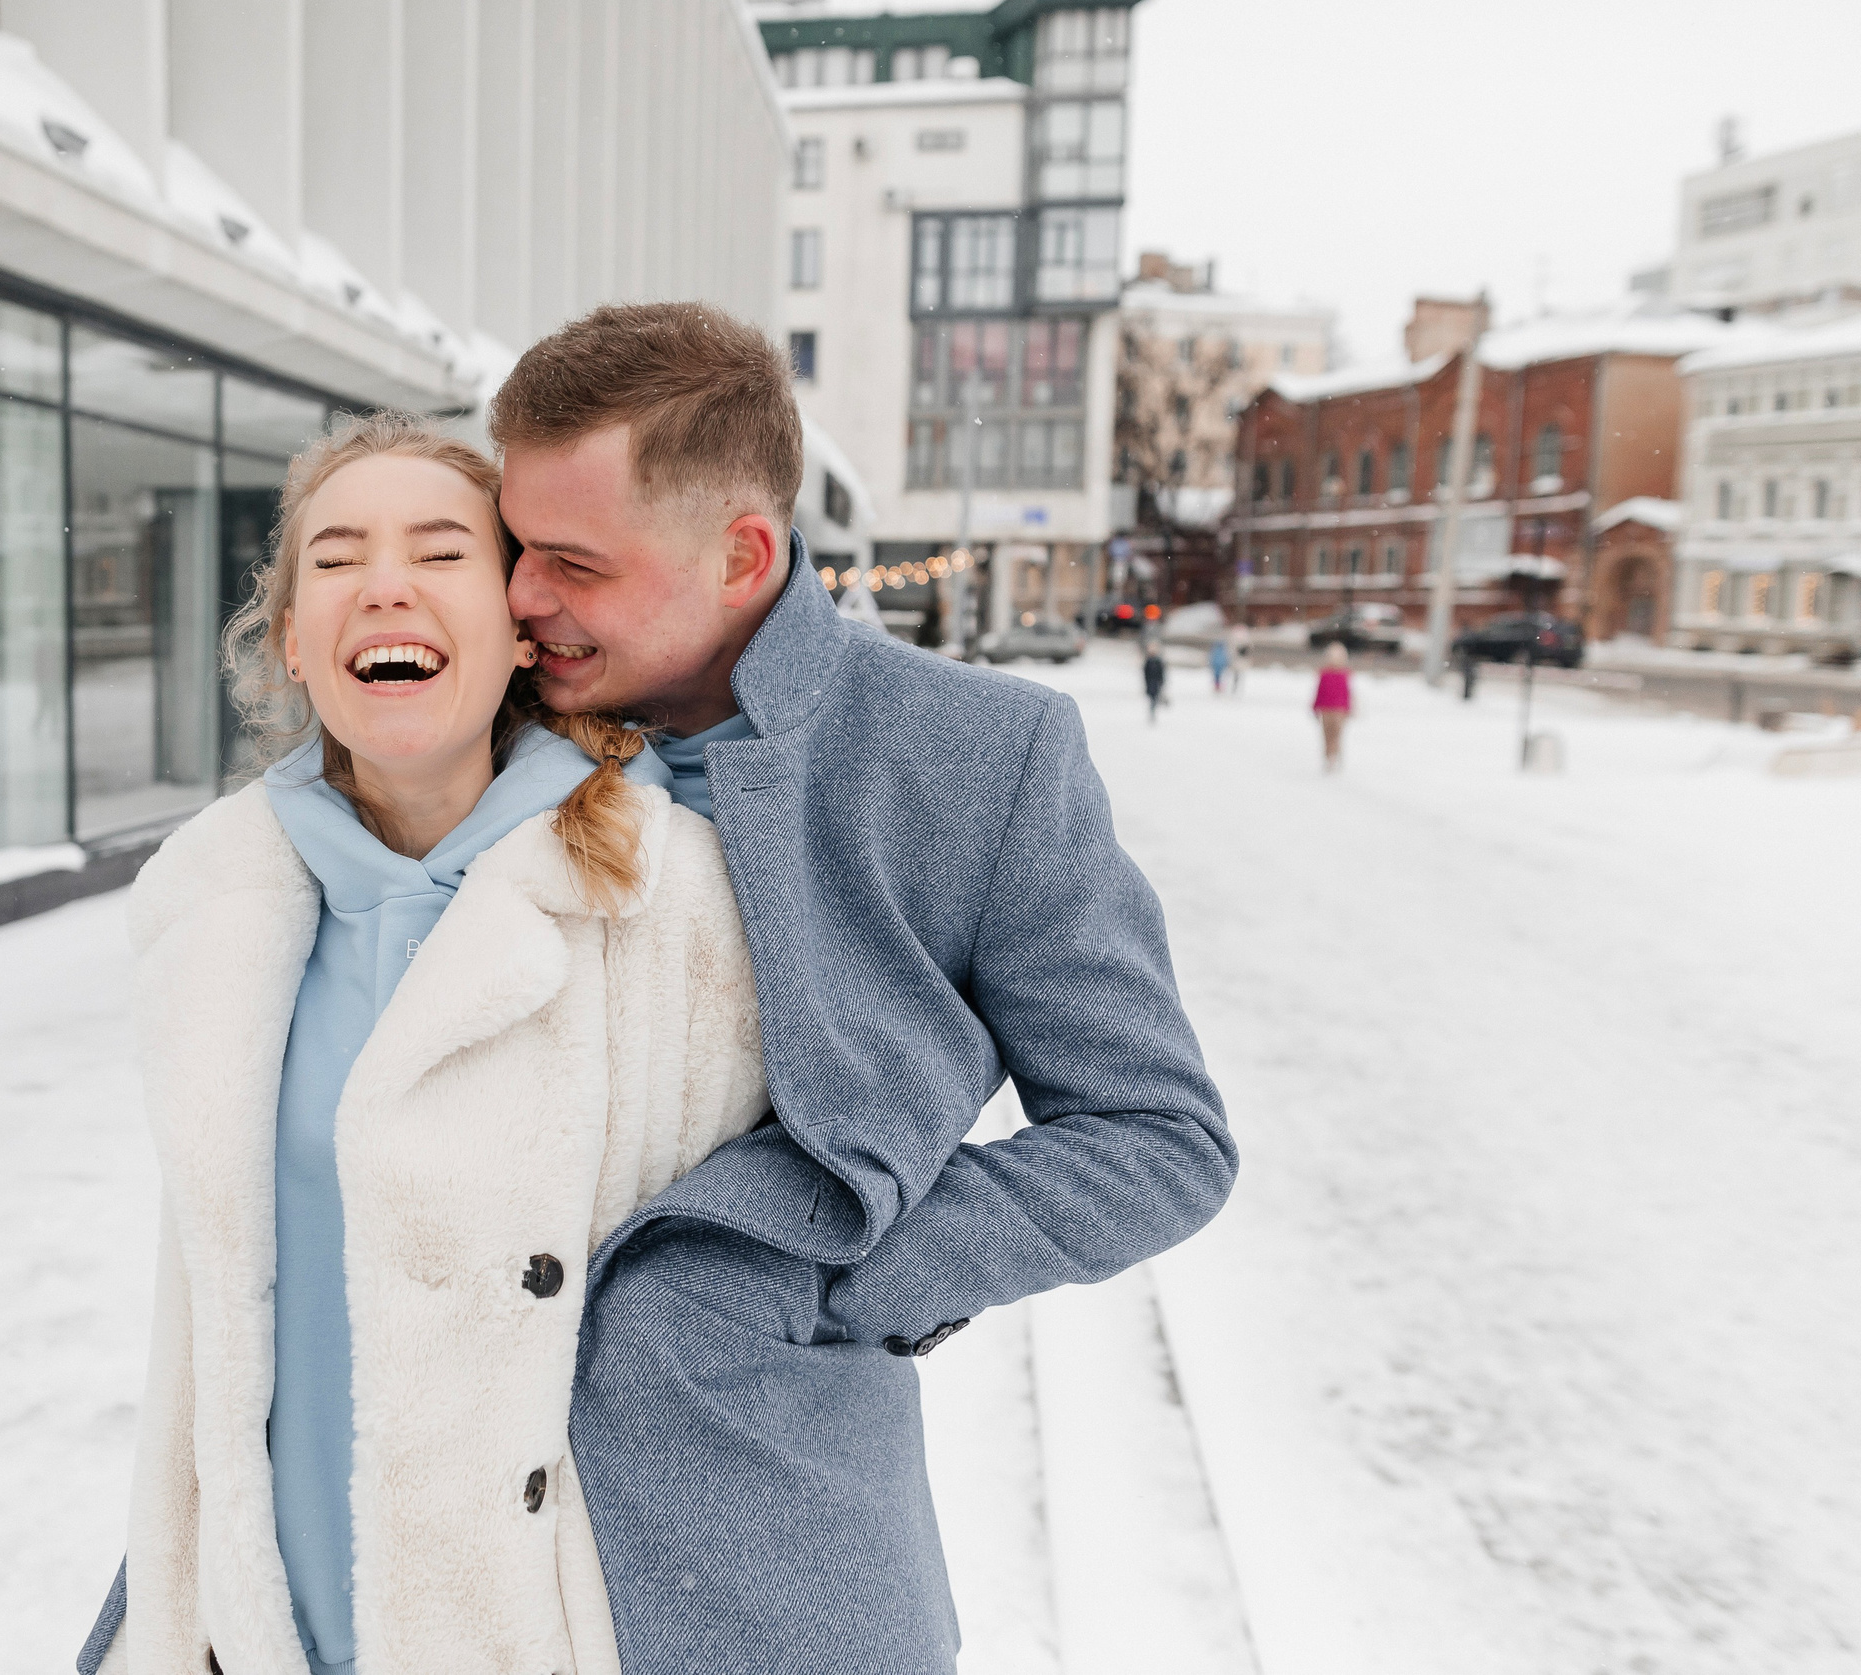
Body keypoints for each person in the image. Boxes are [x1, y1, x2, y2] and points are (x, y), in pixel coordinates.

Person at [490, 303, 1234, 1675]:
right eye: (514, 544)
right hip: (448, 1538)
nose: (523, 596)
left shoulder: (979, 754)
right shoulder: (474, 730)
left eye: (574, 561)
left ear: (743, 553)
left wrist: (832, 1271)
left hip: (762, 1540)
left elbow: (1158, 1137)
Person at [78, 415, 770, 1675]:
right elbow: (215, 1337)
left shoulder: (673, 904)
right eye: (334, 561)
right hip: (269, 1636)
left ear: (519, 626)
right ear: (291, 640)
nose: (382, 582)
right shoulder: (210, 914)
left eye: (439, 551)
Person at [1314, 640, 1354, 771]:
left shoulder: (1344, 675)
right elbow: (1319, 691)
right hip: (1326, 709)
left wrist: (1349, 708)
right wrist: (1315, 706)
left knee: (1336, 734)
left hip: (1339, 710)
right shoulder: (1324, 674)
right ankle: (1328, 756)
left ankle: (1335, 756)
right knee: (1326, 734)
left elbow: (1348, 693)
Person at [1142, 638, 1168, 723]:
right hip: (1151, 684)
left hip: (1156, 683)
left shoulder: (1158, 662)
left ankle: (1154, 709)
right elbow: (1145, 673)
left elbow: (1161, 673)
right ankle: (1152, 711)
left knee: (1155, 698)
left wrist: (1161, 681)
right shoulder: (1148, 662)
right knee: (1152, 698)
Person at [1229, 620, 1252, 693]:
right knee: (1238, 675)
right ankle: (1236, 688)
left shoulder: (1236, 639)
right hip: (1239, 660)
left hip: (1237, 660)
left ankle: (1235, 688)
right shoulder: (1244, 640)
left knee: (1237, 675)